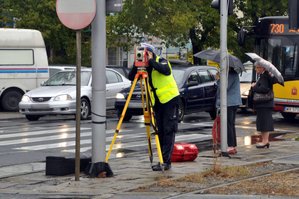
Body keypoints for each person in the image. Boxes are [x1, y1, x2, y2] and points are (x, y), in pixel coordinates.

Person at [128, 43, 179, 171]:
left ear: (151, 53)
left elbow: (166, 71)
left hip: (169, 100)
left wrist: (150, 60)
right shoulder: (145, 67)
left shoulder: (161, 61)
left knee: (168, 130)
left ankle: (166, 162)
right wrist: (137, 64)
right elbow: (130, 77)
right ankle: (161, 159)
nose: (143, 56)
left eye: (145, 53)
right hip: (157, 102)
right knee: (160, 131)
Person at [251, 61, 278, 148]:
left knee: (264, 122)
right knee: (262, 122)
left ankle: (265, 141)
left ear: (262, 68)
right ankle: (264, 141)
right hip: (265, 104)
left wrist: (254, 87)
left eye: (257, 67)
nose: (256, 69)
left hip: (264, 104)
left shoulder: (265, 76)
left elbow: (264, 89)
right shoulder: (264, 76)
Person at [216, 68, 242, 154]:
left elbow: (224, 87)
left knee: (228, 124)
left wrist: (218, 80)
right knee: (231, 124)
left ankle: (231, 146)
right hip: (233, 102)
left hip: (229, 103)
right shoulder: (234, 74)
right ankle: (232, 145)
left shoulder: (230, 75)